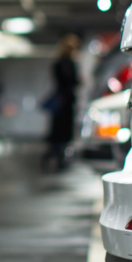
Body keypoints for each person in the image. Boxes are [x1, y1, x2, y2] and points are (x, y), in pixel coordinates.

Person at [43, 34, 80, 170]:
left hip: (61, 100)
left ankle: (53, 156)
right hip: (65, 102)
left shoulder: (58, 62)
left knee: (57, 131)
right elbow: (71, 81)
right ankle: (58, 158)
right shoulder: (67, 63)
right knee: (62, 132)